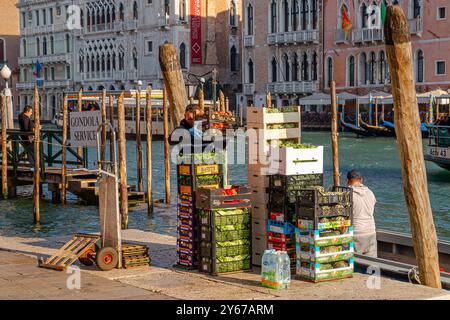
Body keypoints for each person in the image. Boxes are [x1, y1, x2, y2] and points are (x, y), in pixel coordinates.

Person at [346, 170, 377, 257]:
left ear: (347, 180)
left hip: (357, 233)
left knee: (356, 262)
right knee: (372, 264)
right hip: (371, 231)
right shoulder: (370, 193)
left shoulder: (348, 194)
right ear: (361, 180)